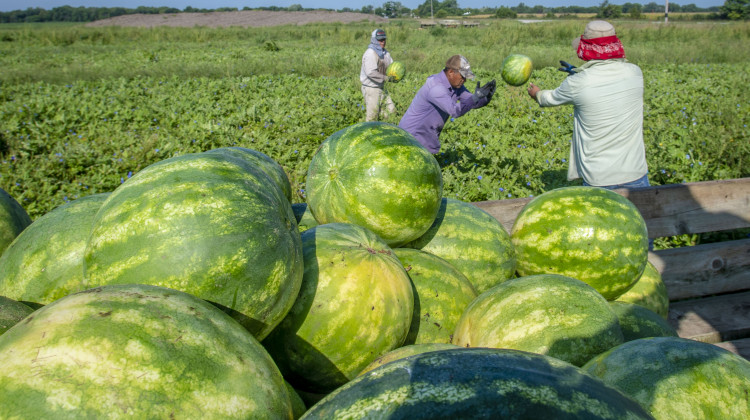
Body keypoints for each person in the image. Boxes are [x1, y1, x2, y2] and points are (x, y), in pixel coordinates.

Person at [527, 20, 649, 190]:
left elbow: (548, 98)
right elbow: (606, 81)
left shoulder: (578, 82)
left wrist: (537, 93)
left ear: (586, 49)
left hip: (600, 178)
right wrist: (577, 72)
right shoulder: (635, 72)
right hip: (636, 173)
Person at [399, 55, 496, 154]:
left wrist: (485, 98)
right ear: (450, 72)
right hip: (411, 136)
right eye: (462, 76)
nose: (464, 80)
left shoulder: (456, 86)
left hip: (427, 135)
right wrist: (475, 97)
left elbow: (470, 102)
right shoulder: (436, 88)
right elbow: (455, 111)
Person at [360, 28, 396, 122]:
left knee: (390, 111)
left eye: (384, 39)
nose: (383, 42)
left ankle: (384, 132)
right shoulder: (370, 53)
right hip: (371, 88)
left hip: (381, 87)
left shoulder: (385, 53)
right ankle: (369, 134)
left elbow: (392, 65)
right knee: (372, 116)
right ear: (374, 40)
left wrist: (396, 74)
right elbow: (371, 72)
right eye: (380, 40)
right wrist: (386, 78)